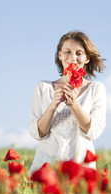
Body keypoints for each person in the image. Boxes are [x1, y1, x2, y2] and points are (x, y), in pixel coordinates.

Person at [28, 30, 106, 174]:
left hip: (80, 167)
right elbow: (37, 133)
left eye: (79, 53)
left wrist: (74, 105)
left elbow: (94, 131)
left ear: (87, 58)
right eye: (67, 52)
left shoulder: (96, 89)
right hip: (46, 166)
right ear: (60, 55)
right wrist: (53, 106)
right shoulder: (43, 88)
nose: (72, 58)